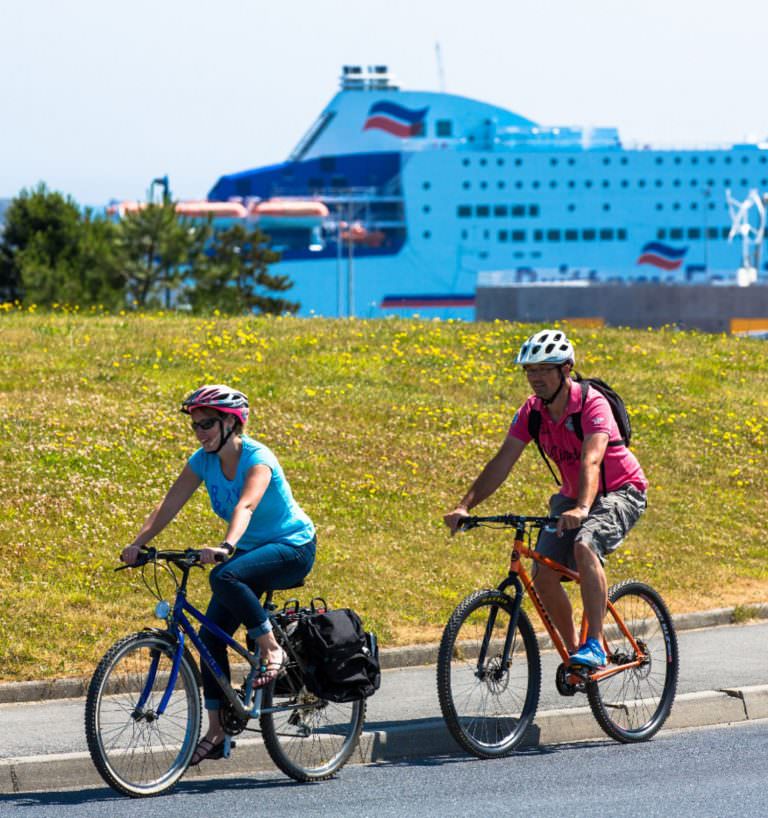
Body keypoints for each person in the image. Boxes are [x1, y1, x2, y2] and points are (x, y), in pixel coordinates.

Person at [120, 384, 316, 766]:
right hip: (250, 549)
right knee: (210, 636)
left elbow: (246, 503)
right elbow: (170, 502)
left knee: (224, 576)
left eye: (207, 423)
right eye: (195, 425)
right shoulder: (203, 459)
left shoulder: (258, 458)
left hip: (292, 547)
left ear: (231, 422)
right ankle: (217, 730)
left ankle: (271, 647)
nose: (200, 432)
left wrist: (226, 546)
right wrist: (138, 543)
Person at [444, 329, 648, 669]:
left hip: (620, 490)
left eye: (543, 369)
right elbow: (502, 461)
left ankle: (595, 644)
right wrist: (465, 505)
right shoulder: (532, 412)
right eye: (529, 370)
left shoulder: (592, 403)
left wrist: (583, 507)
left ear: (566, 369)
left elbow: (592, 459)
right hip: (572, 497)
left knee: (585, 545)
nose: (535, 378)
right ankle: (576, 657)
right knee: (542, 571)